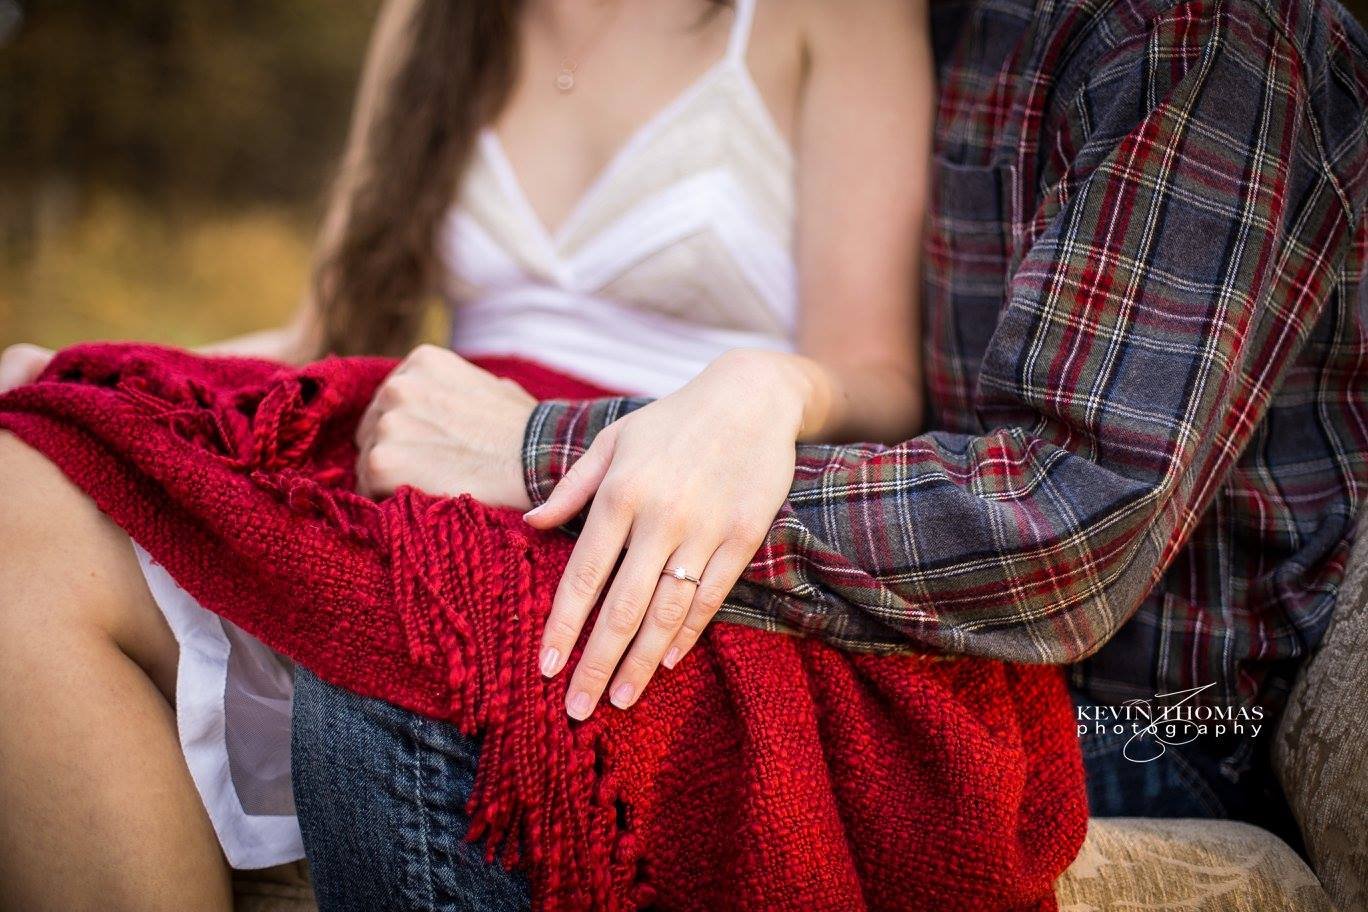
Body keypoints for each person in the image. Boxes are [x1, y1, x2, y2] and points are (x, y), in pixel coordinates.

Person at [288, 0, 1368, 906]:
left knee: (410, 675)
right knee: (384, 597)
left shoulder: (1198, 36)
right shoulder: (933, 17)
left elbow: (1062, 536)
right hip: (893, 641)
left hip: (1134, 726)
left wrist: (551, 452)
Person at [0, 0, 935, 909]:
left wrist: (758, 389)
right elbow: (320, 331)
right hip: (426, 479)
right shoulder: (433, 14)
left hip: (649, 510)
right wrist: (75, 378)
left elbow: (877, 377)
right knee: (15, 500)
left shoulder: (836, 12)